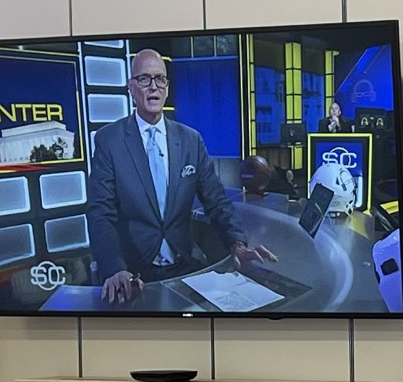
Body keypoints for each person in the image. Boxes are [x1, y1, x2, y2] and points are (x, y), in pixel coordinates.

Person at [84, 47, 269, 307]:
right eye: (144, 79)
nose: (153, 87)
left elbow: (216, 201)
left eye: (160, 79)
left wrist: (237, 243)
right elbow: (100, 213)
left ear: (167, 87)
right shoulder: (109, 141)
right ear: (131, 87)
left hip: (185, 266)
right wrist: (114, 268)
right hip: (135, 274)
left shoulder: (190, 140)